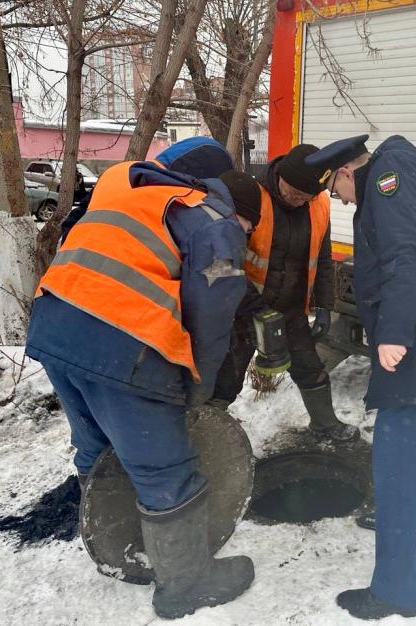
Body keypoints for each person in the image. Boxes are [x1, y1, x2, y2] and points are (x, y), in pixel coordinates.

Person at [25, 137, 261, 620]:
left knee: (97, 448)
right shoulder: (214, 222)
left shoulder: (132, 198)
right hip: (120, 348)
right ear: (232, 204)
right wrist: (199, 385)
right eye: (250, 226)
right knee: (167, 469)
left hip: (53, 328)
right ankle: (186, 585)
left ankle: (117, 543)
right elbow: (211, 318)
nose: (248, 236)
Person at [306, 135, 416, 619]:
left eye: (336, 190)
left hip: (415, 345)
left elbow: (406, 255)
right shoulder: (398, 172)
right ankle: (408, 530)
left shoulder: (390, 178)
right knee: (407, 455)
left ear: (348, 171)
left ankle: (399, 592)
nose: (339, 199)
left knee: (395, 463)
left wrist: (394, 332)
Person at [213, 144, 358, 442]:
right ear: (280, 176)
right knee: (225, 378)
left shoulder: (319, 205)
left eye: (305, 195)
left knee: (310, 369)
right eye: (293, 191)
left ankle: (324, 424)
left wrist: (325, 306)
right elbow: (223, 263)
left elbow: (324, 257)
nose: (297, 199)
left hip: (290, 309)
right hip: (244, 309)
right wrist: (252, 308)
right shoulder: (252, 198)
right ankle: (211, 433)